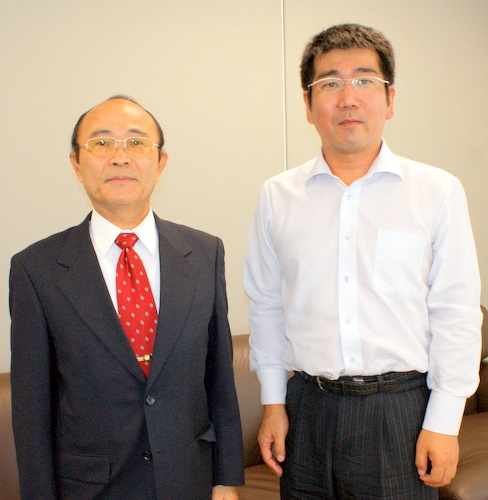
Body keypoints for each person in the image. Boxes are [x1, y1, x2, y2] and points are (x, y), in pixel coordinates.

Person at [243, 23, 482, 499]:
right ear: (308, 104)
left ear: (390, 100)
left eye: (365, 80)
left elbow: (455, 311)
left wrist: (444, 420)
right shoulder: (277, 196)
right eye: (330, 83)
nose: (348, 97)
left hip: (399, 411)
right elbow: (266, 304)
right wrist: (273, 402)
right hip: (307, 409)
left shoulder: (436, 191)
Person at [10, 96, 244, 499]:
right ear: (76, 164)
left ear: (161, 162)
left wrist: (225, 481)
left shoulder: (205, 253)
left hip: (188, 480)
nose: (120, 157)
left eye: (136, 142)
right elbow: (32, 412)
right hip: (90, 488)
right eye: (101, 143)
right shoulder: (36, 268)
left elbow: (219, 378)